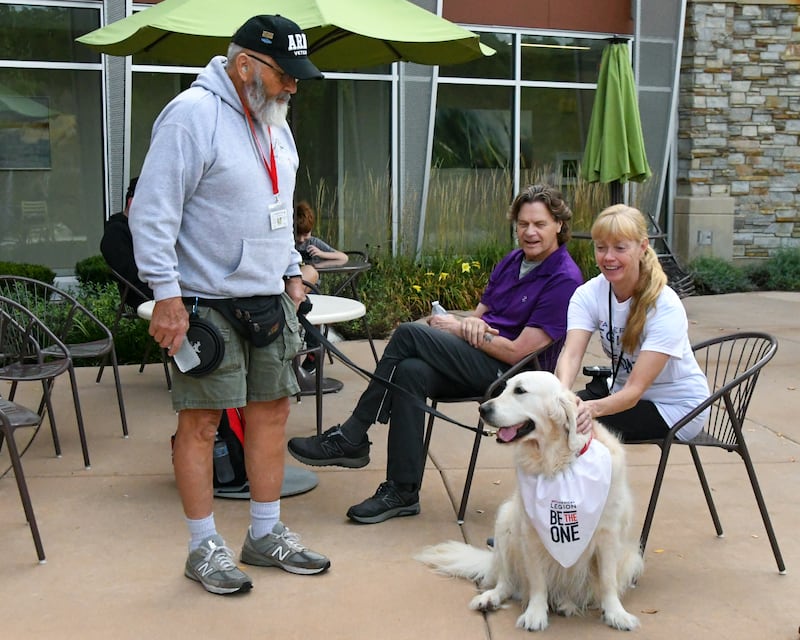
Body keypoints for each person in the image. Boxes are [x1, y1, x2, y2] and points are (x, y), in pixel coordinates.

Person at [129, 14, 330, 596]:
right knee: (201, 424)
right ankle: (202, 547)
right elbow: (153, 212)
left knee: (271, 413)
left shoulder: (274, 122)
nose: (293, 86)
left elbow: (279, 204)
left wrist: (292, 272)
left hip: (269, 298)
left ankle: (264, 535)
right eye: (285, 75)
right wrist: (166, 296)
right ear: (245, 65)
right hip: (204, 304)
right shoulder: (192, 115)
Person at [288, 184, 584, 524]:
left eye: (540, 224)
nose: (529, 232)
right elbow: (479, 317)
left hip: (512, 378)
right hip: (480, 356)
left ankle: (354, 434)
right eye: (523, 224)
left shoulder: (564, 277)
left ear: (559, 225)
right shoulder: (512, 260)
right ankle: (402, 491)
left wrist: (460, 329)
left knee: (408, 333)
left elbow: (520, 351)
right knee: (411, 370)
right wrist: (460, 325)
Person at [555, 204, 709, 442]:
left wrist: (588, 409)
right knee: (552, 418)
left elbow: (634, 392)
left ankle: (597, 480)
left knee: (571, 429)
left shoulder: (664, 305)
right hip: (621, 395)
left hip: (675, 408)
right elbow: (571, 355)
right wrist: (563, 396)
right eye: (601, 247)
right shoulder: (588, 294)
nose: (608, 257)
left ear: (642, 247)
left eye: (620, 248)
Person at [293, 200, 347, 374]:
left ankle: (312, 356)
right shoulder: (288, 244)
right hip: (295, 291)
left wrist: (322, 254)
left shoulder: (313, 243)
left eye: (305, 234)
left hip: (312, 291)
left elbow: (343, 258)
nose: (301, 240)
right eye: (298, 235)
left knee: (311, 313)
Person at [100, 177, 153, 309]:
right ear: (131, 202)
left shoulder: (145, 230)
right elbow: (132, 276)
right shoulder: (116, 233)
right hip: (147, 297)